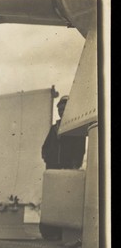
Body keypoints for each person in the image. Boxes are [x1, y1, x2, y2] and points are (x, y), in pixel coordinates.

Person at [39, 95, 87, 240]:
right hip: (53, 169)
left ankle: (62, 233)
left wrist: (74, 165)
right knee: (51, 200)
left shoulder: (75, 127)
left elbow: (80, 149)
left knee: (65, 200)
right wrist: (48, 158)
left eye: (64, 109)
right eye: (59, 109)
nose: (61, 111)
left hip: (67, 169)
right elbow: (46, 146)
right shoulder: (54, 128)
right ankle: (48, 232)